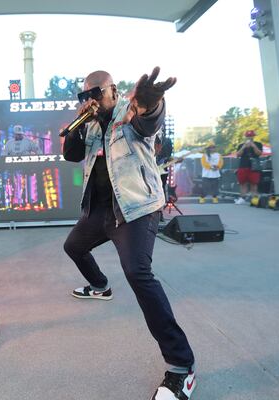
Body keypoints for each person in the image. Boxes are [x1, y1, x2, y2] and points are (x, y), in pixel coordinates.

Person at [62, 68, 195, 400]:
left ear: (113, 90)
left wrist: (152, 105)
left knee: (138, 272)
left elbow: (148, 122)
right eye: (85, 95)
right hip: (100, 212)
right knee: (73, 246)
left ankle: (182, 367)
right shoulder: (90, 124)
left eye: (96, 92)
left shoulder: (129, 111)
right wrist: (75, 127)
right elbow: (72, 155)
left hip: (135, 209)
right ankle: (100, 286)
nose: (90, 99)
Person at [234, 130, 263, 204]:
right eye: (248, 136)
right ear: (245, 137)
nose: (249, 138)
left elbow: (259, 153)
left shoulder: (258, 144)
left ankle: (255, 199)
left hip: (254, 167)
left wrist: (253, 146)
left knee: (254, 183)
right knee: (242, 183)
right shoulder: (241, 145)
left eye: (251, 136)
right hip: (243, 166)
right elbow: (238, 155)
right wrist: (243, 147)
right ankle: (242, 198)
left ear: (253, 136)